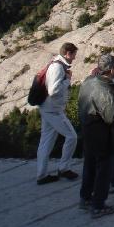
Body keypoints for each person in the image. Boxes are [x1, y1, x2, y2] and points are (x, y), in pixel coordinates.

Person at [78, 53, 114, 218]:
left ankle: (85, 198)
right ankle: (98, 205)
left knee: (90, 164)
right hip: (101, 131)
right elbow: (112, 116)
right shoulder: (105, 88)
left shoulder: (88, 81)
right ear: (112, 69)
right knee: (104, 166)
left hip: (87, 127)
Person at [36, 42, 79, 185]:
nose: (74, 58)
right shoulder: (58, 68)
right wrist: (67, 80)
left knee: (46, 142)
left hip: (47, 108)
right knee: (72, 136)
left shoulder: (55, 64)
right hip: (53, 110)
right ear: (67, 53)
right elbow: (53, 91)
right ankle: (64, 168)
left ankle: (41, 175)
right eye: (73, 55)